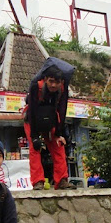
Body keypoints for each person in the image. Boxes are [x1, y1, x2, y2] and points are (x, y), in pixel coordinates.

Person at [24, 58, 76, 190]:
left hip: (51, 119)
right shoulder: (36, 87)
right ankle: (37, 182)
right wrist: (35, 136)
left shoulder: (63, 90)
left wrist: (59, 134)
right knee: (35, 149)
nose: (53, 85)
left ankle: (62, 180)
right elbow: (32, 110)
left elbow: (62, 110)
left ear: (62, 82)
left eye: (57, 82)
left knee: (59, 146)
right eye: (51, 81)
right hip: (33, 119)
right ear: (45, 79)